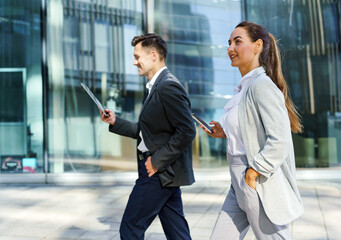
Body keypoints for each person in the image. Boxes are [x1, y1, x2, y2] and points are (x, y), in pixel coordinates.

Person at [202, 21, 304, 239]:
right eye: (229, 43)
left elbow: (280, 140)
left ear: (258, 45)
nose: (230, 48)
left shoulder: (262, 86)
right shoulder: (244, 88)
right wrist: (225, 132)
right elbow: (249, 130)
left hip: (255, 179)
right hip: (236, 182)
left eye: (238, 42)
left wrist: (253, 173)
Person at [100, 33, 196, 240]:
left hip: (158, 173)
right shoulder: (155, 87)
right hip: (162, 174)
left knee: (130, 228)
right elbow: (147, 132)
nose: (134, 62)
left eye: (137, 57)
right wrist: (115, 121)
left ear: (153, 55)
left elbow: (187, 130)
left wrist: (156, 162)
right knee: (177, 232)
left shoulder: (167, 86)